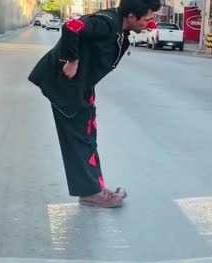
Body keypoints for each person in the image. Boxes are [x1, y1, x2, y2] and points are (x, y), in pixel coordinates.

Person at [28, 0, 161, 208]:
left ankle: (94, 187)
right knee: (79, 138)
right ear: (132, 17)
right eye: (148, 19)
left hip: (82, 87)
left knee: (88, 135)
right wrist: (72, 60)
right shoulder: (106, 23)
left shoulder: (119, 26)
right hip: (65, 86)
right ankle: (90, 193)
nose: (151, 23)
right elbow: (71, 27)